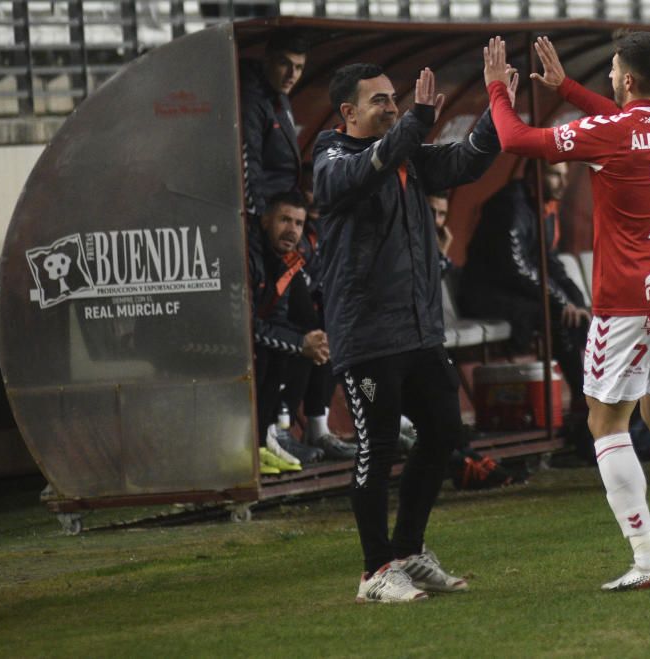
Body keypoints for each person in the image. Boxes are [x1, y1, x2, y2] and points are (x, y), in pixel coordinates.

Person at [483, 32, 650, 591]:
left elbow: (514, 138)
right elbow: (625, 123)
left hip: (629, 301)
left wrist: (495, 88)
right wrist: (569, 88)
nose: (609, 78)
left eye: (612, 71)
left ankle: (647, 560)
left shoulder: (613, 134)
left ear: (628, 79)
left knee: (606, 423)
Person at [313, 62, 507, 603]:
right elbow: (360, 174)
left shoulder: (410, 157)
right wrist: (414, 125)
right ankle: (376, 571)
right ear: (348, 113)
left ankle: (409, 550)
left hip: (419, 331)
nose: (392, 106)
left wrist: (496, 109)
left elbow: (468, 161)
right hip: (367, 335)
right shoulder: (331, 159)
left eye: (393, 99)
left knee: (443, 431)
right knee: (376, 448)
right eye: (379, 101)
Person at [459, 159, 591, 410]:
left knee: (577, 315)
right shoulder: (511, 203)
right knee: (558, 316)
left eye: (564, 175)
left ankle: (594, 395)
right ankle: (581, 399)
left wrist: (575, 301)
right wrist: (561, 303)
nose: (563, 183)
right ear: (534, 175)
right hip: (485, 295)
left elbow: (550, 262)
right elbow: (514, 266)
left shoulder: (546, 207)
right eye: (554, 175)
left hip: (516, 293)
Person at [249, 191, 331, 471]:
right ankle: (260, 440)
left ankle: (271, 436)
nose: (292, 230)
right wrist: (299, 343)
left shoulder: (287, 260)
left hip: (261, 338)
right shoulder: (249, 257)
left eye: (298, 223)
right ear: (265, 221)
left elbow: (279, 320)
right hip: (220, 343)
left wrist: (307, 341)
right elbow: (246, 327)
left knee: (311, 341)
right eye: (284, 220)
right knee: (280, 348)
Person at [240, 29, 308, 221]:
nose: (291, 75)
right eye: (284, 63)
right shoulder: (251, 100)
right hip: (266, 218)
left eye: (299, 67)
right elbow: (248, 165)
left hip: (282, 214)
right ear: (267, 60)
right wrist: (259, 220)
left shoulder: (279, 93)